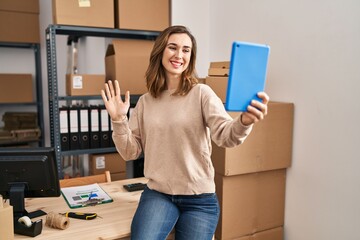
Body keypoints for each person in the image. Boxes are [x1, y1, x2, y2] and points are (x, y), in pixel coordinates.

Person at [101, 25, 269, 240]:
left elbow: (226, 135)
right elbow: (130, 153)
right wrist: (118, 120)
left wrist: (244, 121)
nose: (179, 55)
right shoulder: (145, 102)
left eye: (186, 50)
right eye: (173, 47)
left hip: (199, 200)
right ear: (160, 51)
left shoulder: (201, 93)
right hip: (158, 195)